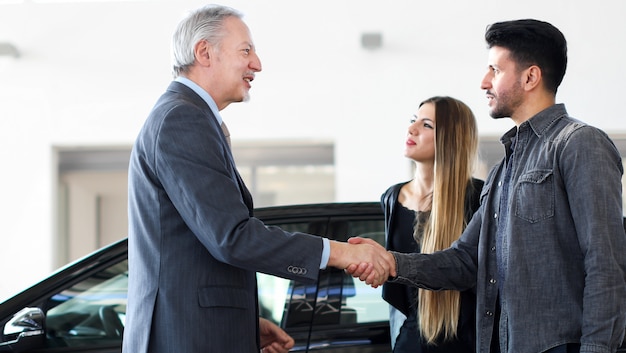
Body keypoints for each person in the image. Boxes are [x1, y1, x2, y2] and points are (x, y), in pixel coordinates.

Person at [121, 5, 394, 353]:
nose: (257, 64)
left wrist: (243, 322)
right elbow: (232, 237)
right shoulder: (182, 120)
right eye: (246, 50)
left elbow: (193, 251)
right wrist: (339, 253)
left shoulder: (185, 115)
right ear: (204, 52)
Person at [348, 19, 626, 353]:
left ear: (530, 77)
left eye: (494, 69)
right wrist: (392, 262)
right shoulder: (502, 170)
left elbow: (605, 262)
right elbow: (465, 260)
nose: (484, 82)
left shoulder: (579, 144)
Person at [382, 96, 483, 353]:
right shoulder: (392, 198)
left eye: (426, 125)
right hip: (409, 341)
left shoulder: (480, 197)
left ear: (451, 138)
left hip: (464, 341)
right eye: (413, 121)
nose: (412, 129)